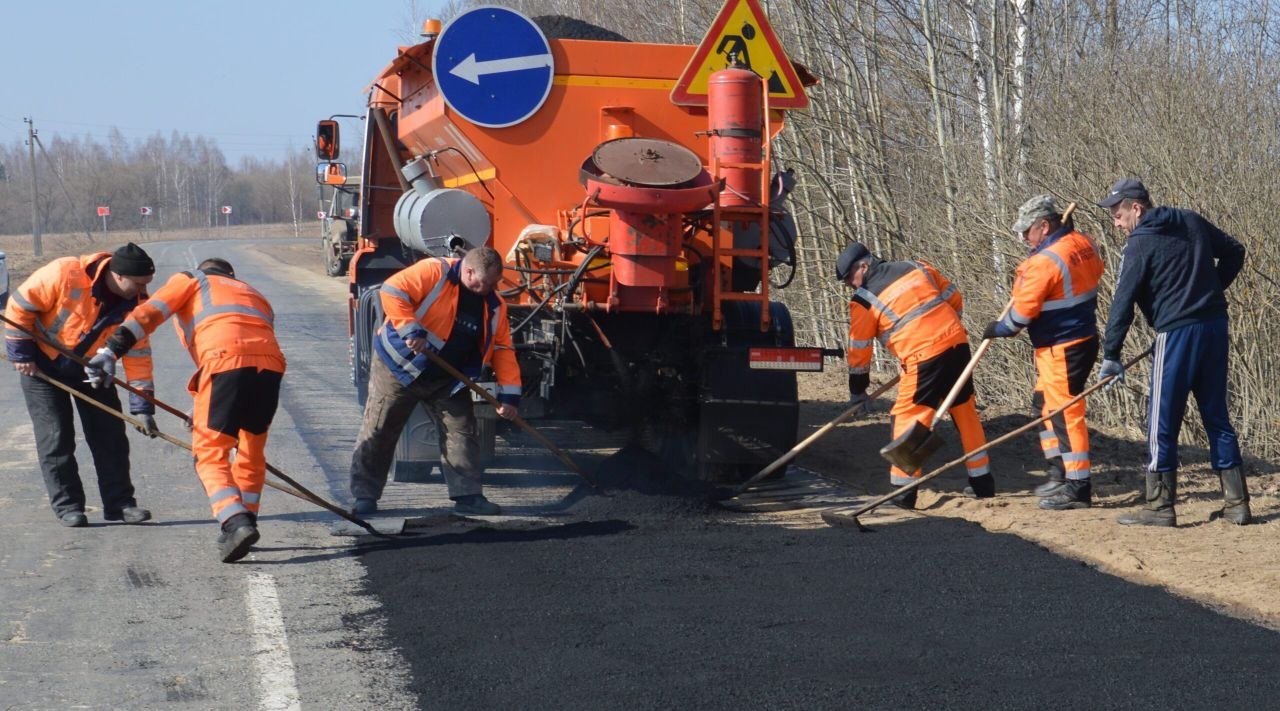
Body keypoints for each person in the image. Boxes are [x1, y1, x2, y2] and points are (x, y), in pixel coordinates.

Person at [90, 258, 286, 562]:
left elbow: (148, 314)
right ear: (231, 275)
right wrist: (201, 402)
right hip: (270, 367)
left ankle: (235, 522)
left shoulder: (193, 280)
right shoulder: (251, 292)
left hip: (225, 362)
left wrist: (110, 350)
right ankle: (246, 520)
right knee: (250, 450)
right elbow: (241, 352)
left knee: (210, 452)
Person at [1096, 178, 1250, 527]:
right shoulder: (1191, 220)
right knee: (1217, 415)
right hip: (1214, 327)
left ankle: (1159, 506)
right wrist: (1207, 293)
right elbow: (1235, 252)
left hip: (1177, 334)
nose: (1116, 224)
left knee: (1161, 421)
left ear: (1136, 208)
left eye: (1118, 215)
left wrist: (1111, 355)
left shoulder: (1139, 244)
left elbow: (1122, 303)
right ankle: (1237, 503)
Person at [349, 246, 521, 516]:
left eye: (493, 283)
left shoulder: (495, 305)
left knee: (461, 432)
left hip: (448, 377)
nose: (489, 289)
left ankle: (468, 496)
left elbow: (502, 349)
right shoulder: (434, 271)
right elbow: (392, 290)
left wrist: (509, 397)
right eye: (484, 282)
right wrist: (410, 328)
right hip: (400, 366)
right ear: (468, 271)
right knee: (381, 427)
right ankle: (365, 496)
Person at [4, 243, 157, 527]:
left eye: (146, 284)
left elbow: (138, 355)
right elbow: (19, 306)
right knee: (56, 437)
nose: (143, 290)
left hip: (94, 370)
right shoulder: (64, 272)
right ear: (118, 275)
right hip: (42, 367)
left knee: (111, 437)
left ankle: (120, 504)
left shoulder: (136, 305)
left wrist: (142, 407)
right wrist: (22, 354)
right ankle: (68, 506)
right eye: (138, 284)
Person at [836, 241, 993, 508]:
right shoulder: (917, 266)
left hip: (923, 358)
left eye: (850, 277)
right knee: (964, 411)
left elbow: (859, 349)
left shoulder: (864, 300)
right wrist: (944, 331)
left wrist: (857, 390)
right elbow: (954, 297)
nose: (850, 284)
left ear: (864, 265)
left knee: (907, 418)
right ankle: (983, 483)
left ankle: (903, 494)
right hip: (957, 345)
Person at [982, 195, 1104, 510]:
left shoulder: (1042, 263)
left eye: (1027, 231)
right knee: (1044, 405)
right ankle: (1059, 470)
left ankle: (1078, 486)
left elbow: (1017, 320)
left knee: (1065, 414)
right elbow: (1094, 268)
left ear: (1045, 226)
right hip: (1079, 340)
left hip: (1062, 347)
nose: (1023, 237)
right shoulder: (1083, 242)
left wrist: (998, 328)